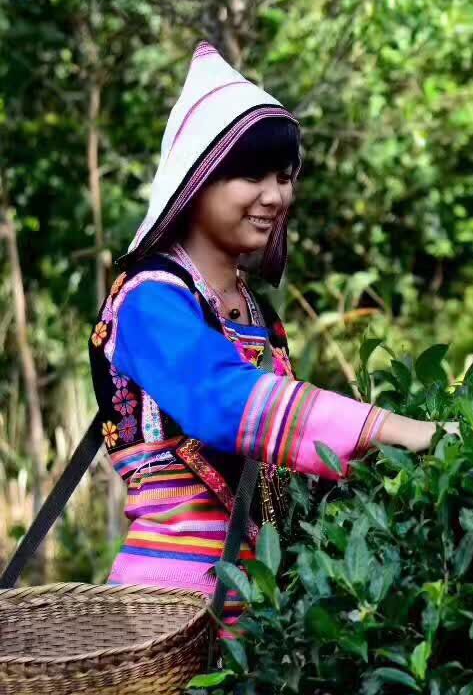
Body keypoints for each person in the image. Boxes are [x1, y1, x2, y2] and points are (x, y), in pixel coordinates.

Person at [88, 42, 452, 620]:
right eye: (252, 174)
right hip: (168, 610)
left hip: (265, 607)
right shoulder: (148, 300)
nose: (276, 195)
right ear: (196, 181)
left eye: (285, 176)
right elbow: (222, 402)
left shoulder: (257, 314)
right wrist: (393, 429)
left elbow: (287, 461)